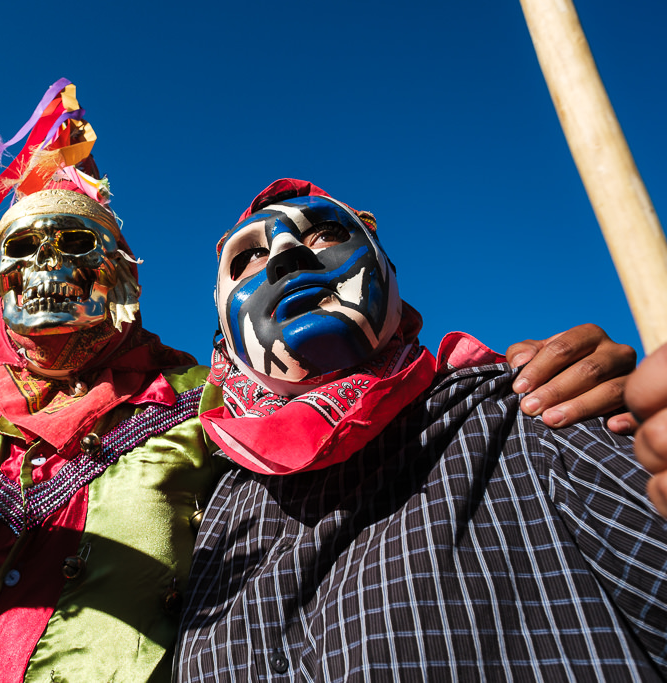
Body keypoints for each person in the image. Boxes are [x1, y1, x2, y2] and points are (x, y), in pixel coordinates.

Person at [0, 67, 637, 682]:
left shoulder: (213, 406)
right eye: (29, 247)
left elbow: (352, 411)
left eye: (80, 244)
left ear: (127, 281)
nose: (54, 266)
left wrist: (502, 392)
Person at [175, 178, 667, 681]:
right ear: (221, 319)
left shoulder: (530, 414)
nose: (286, 257)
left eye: (324, 234)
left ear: (387, 269)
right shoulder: (209, 512)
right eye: (248, 258)